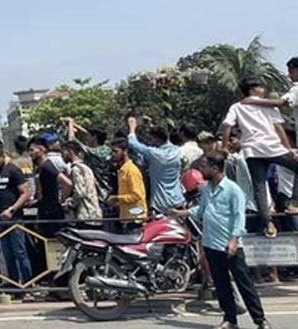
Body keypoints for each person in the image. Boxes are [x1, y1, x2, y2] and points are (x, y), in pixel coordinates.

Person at [172, 153, 273, 329]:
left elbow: (239, 217)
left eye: (204, 166)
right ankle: (230, 319)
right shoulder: (207, 190)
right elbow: (202, 211)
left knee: (245, 284)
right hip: (211, 243)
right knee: (221, 284)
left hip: (229, 245)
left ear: (215, 168)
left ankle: (260, 320)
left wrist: (234, 239)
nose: (201, 170)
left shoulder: (233, 190)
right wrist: (182, 213)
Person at [221, 78, 298, 236]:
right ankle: (294, 202)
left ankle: (268, 224)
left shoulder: (236, 106)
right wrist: (288, 149)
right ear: (252, 89)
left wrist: (224, 146)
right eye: (260, 86)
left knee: (259, 187)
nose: (263, 88)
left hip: (252, 150)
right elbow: (279, 128)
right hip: (272, 147)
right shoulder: (267, 105)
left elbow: (227, 125)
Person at [0, 142, 33, 298]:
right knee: (6, 253)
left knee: (20, 252)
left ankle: (28, 285)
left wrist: (12, 209)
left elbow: (25, 193)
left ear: (3, 156)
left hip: (14, 218)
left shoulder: (13, 170)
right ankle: (13, 284)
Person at [127, 116, 185, 216]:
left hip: (162, 204)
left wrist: (132, 127)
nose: (150, 142)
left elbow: (132, 143)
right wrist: (151, 126)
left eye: (152, 139)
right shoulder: (176, 151)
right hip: (177, 201)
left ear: (156, 139)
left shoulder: (156, 154)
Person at [29, 136, 72, 238]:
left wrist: (61, 200)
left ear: (42, 149)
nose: (30, 153)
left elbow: (67, 183)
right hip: (44, 212)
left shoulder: (47, 166)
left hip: (52, 213)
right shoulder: (39, 168)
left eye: (32, 150)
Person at [107, 138, 148, 231]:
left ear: (125, 151)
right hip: (127, 218)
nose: (113, 154)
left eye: (116, 151)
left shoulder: (131, 171)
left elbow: (136, 196)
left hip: (135, 220)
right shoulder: (122, 170)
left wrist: (116, 198)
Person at [62, 141, 102, 227]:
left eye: (63, 152)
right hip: (96, 214)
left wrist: (70, 203)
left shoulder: (75, 169)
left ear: (70, 151)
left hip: (85, 215)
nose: (62, 156)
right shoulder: (86, 168)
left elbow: (80, 193)